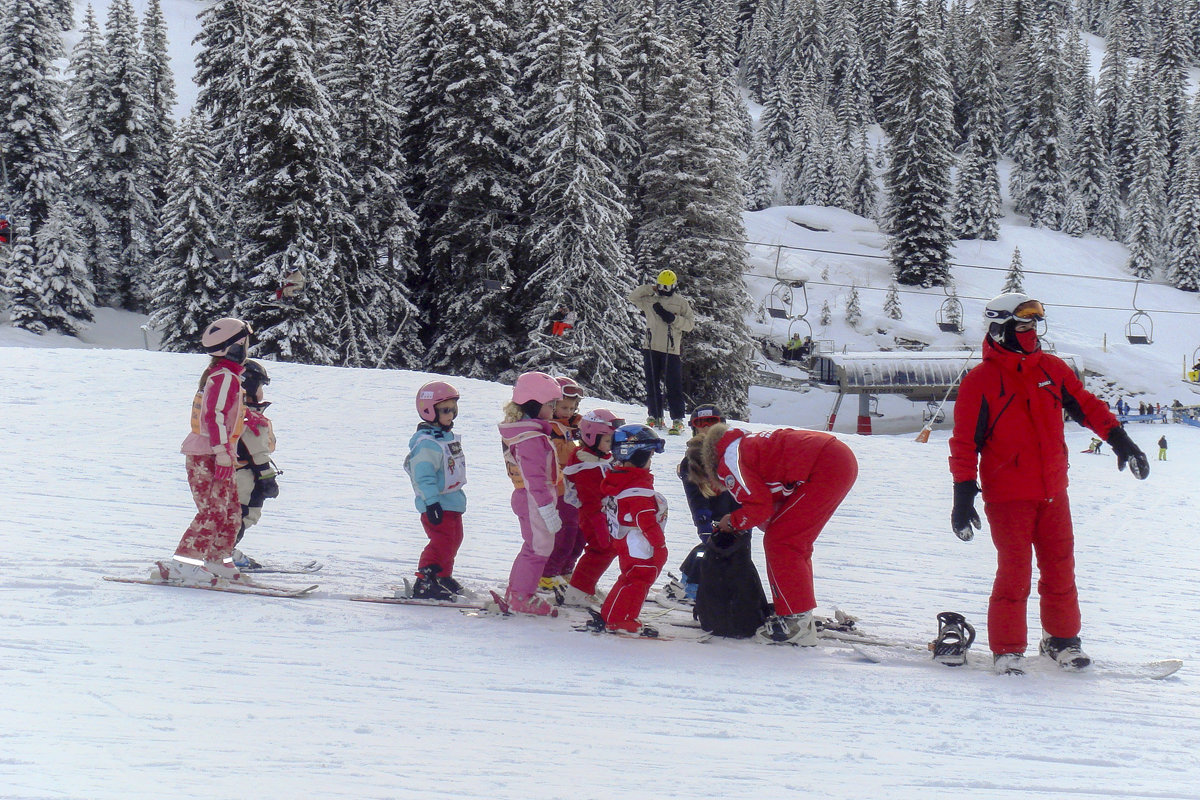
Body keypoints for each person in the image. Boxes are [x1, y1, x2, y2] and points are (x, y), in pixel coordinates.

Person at [949, 293, 1150, 676]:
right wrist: (963, 495)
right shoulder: (981, 381)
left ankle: (1061, 639)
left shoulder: (1052, 369)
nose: (1031, 332)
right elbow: (964, 443)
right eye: (1023, 325)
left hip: (1053, 490)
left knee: (1060, 567)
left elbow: (1087, 406)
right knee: (1015, 571)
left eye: (1034, 325)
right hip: (1008, 495)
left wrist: (1121, 441)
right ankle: (1007, 648)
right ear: (1001, 329)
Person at [683, 423, 858, 645]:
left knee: (782, 542)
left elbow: (759, 508)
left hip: (826, 466)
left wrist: (734, 521)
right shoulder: (736, 444)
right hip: (832, 458)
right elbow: (769, 497)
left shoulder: (729, 464)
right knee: (789, 540)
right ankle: (798, 614)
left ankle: (797, 623)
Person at [156, 317, 254, 586]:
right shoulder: (223, 377)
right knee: (213, 510)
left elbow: (225, 414)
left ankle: (217, 559)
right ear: (235, 346)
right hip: (208, 453)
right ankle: (184, 565)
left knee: (231, 510)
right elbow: (213, 416)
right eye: (245, 342)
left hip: (219, 452)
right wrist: (222, 451)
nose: (248, 347)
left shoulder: (228, 375)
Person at [500, 371, 565, 616]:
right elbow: (534, 478)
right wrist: (546, 507)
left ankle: (517, 591)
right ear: (534, 404)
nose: (554, 409)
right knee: (539, 548)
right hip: (533, 498)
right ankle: (521, 596)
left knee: (534, 545)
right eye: (550, 405)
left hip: (532, 497)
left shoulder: (530, 433)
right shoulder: (530, 438)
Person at [598, 424, 669, 635]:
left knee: (629, 577)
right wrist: (659, 544)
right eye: (649, 458)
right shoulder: (637, 488)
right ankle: (622, 618)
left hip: (626, 539)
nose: (650, 463)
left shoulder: (620, 479)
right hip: (638, 542)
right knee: (639, 578)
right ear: (637, 457)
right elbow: (644, 519)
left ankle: (611, 613)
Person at [667, 404, 739, 602]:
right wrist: (703, 522)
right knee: (710, 548)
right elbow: (695, 498)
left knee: (738, 552)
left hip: (736, 512)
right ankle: (689, 584)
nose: (706, 428)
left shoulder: (733, 452)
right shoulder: (691, 460)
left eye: (712, 423)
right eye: (701, 424)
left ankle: (725, 588)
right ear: (694, 428)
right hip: (713, 513)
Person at [404, 380, 467, 600]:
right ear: (429, 411)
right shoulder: (427, 443)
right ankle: (425, 580)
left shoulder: (445, 438)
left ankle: (442, 576)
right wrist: (431, 502)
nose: (452, 415)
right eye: (446, 410)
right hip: (437, 503)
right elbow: (423, 476)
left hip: (452, 501)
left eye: (454, 409)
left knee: (454, 539)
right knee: (442, 542)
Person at [559, 408, 624, 607]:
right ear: (591, 437)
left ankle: (585, 586)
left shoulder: (601, 459)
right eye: (607, 441)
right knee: (600, 550)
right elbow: (590, 502)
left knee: (606, 550)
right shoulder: (586, 466)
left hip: (604, 515)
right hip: (593, 516)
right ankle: (578, 591)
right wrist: (599, 526)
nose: (611, 446)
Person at [627, 269, 695, 435]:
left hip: (671, 350)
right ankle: (655, 415)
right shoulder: (650, 300)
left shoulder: (680, 303)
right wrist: (650, 289)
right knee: (652, 384)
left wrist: (673, 319)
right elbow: (632, 297)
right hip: (650, 347)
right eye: (661, 285)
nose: (664, 289)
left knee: (673, 385)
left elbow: (689, 324)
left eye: (667, 286)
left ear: (673, 286)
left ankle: (677, 419)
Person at [232, 360, 280, 569]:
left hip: (235, 473)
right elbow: (258, 453)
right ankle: (223, 553)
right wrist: (268, 479)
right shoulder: (250, 418)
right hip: (245, 477)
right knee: (244, 514)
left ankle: (221, 550)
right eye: (260, 386)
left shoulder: (235, 413)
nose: (262, 392)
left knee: (232, 514)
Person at [540, 376, 584, 592]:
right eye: (563, 407)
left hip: (579, 486)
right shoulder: (548, 427)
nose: (568, 412)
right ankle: (549, 571)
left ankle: (567, 568)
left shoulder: (579, 424)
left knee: (580, 534)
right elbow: (556, 453)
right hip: (559, 487)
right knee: (566, 531)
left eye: (572, 407)